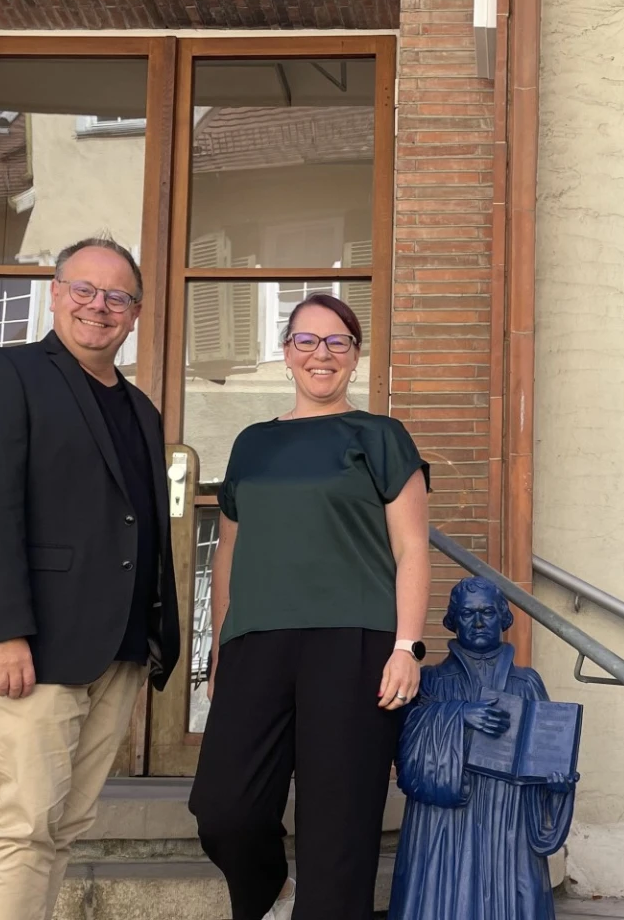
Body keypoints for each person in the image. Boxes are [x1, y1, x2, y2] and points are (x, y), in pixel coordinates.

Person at [0, 236, 178, 920]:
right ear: (55, 293)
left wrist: (155, 634)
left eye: (117, 297)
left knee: (63, 828)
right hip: (34, 646)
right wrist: (2, 628)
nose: (98, 307)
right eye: (84, 290)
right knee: (24, 827)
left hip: (118, 650)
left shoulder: (141, 410)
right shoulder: (6, 373)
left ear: (134, 314)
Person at [188, 292, 432, 920]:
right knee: (224, 811)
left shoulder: (381, 436)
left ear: (354, 357)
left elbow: (411, 550)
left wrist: (407, 646)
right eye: (306, 341)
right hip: (256, 642)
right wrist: (220, 647)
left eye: (336, 342)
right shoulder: (251, 444)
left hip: (355, 643)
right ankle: (269, 892)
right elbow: (228, 555)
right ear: (286, 353)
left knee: (338, 829)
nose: (320, 354)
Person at [390, 578, 577, 920]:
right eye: (467, 614)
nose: (477, 622)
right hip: (444, 824)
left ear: (504, 618)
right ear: (452, 620)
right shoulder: (430, 680)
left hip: (510, 819)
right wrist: (459, 715)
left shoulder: (526, 682)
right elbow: (406, 753)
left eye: (487, 612)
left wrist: (557, 784)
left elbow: (545, 748)